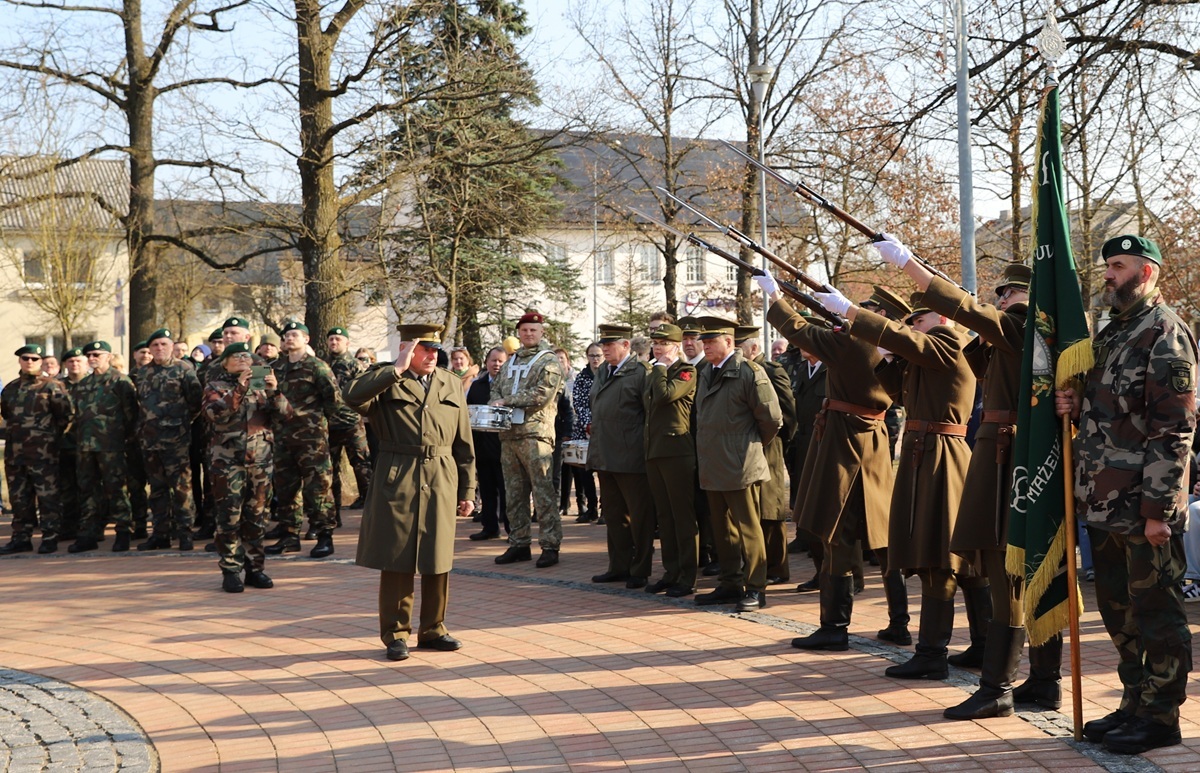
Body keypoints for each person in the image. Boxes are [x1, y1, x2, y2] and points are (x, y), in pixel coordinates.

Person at [877, 233, 1033, 717]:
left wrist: (911, 266)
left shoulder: (983, 333)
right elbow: (902, 392)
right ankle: (990, 654)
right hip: (964, 450)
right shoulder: (986, 340)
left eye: (1005, 295)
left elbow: (964, 314)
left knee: (958, 559)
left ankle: (959, 661)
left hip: (974, 453)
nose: (999, 302)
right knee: (971, 559)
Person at [1055, 234, 1196, 755]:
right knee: (1119, 611)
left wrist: (1159, 511)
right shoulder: (1115, 332)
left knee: (1157, 612)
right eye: (1108, 266)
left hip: (1144, 506)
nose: (1108, 274)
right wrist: (1072, 400)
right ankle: (1135, 701)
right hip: (1104, 503)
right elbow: (1106, 407)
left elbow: (1173, 428)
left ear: (1148, 271)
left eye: (1118, 265)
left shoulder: (1166, 332)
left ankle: (1161, 717)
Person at [813, 282, 977, 680]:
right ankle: (964, 647)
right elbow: (901, 394)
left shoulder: (950, 341)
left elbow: (913, 347)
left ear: (941, 315)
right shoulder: (933, 348)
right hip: (926, 453)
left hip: (942, 455)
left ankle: (935, 652)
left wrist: (855, 314)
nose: (913, 327)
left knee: (943, 559)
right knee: (942, 559)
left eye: (917, 319)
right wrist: (887, 356)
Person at [760, 281, 905, 651]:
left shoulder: (853, 343)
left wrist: (775, 297)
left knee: (836, 532)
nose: (856, 313)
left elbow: (797, 330)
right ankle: (899, 622)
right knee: (885, 538)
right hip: (873, 440)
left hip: (844, 443)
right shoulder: (896, 346)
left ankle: (834, 626)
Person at [344, 324, 476, 662]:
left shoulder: (449, 382)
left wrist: (468, 488)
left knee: (438, 556)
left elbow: (464, 442)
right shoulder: (386, 379)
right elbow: (351, 396)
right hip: (398, 473)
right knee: (398, 556)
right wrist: (396, 369)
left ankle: (433, 629)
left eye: (435, 350)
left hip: (442, 474)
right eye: (424, 349)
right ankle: (396, 634)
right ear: (407, 349)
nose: (432, 355)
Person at [692, 316, 782, 612]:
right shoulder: (706, 371)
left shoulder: (749, 372)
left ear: (729, 342)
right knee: (722, 529)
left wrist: (748, 447)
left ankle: (756, 587)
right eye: (703, 341)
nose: (704, 346)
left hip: (740, 464)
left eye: (710, 341)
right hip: (713, 463)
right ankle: (730, 583)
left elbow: (771, 419)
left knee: (748, 527)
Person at [203, 342, 292, 593]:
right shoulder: (215, 387)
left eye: (246, 355)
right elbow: (215, 413)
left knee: (257, 517)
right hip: (227, 462)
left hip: (260, 461)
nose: (242, 359)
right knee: (229, 517)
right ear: (225, 363)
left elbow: (287, 416)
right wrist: (240, 387)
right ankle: (231, 570)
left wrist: (275, 392)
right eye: (236, 356)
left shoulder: (262, 386)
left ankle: (255, 569)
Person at [490, 310, 564, 568]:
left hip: (535, 435)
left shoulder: (549, 361)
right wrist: (496, 401)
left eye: (533, 330)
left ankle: (550, 545)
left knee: (542, 492)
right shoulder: (511, 360)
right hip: (509, 435)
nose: (528, 334)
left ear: (542, 332)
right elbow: (496, 387)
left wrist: (506, 401)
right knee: (514, 492)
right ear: (518, 333)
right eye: (524, 330)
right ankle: (519, 542)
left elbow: (542, 394)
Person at [266, 321, 342, 558]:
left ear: (306, 339)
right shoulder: (273, 368)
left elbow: (334, 401)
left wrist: (322, 428)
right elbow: (262, 399)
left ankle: (324, 536)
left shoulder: (317, 367)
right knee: (286, 489)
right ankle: (289, 536)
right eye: (286, 335)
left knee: (317, 488)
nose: (289, 338)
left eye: (295, 334)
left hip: (311, 439)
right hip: (282, 439)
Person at [588, 324, 655, 588]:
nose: (604, 349)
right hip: (605, 455)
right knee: (614, 515)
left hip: (631, 456)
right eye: (603, 345)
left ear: (626, 346)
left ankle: (640, 569)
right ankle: (618, 566)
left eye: (610, 345)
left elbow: (649, 415)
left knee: (640, 517)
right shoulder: (603, 370)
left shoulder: (640, 372)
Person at [736, 326, 797, 586]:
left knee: (770, 508)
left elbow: (788, 412)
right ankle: (756, 564)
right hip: (747, 446)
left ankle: (777, 567)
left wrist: (779, 442)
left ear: (753, 348)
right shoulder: (740, 371)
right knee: (754, 507)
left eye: (740, 349)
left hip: (769, 445)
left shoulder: (772, 370)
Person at [0, 344, 74, 555]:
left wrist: (48, 438)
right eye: (26, 358)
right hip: (16, 454)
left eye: (34, 358)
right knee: (19, 499)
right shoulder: (11, 389)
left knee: (48, 497)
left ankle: (50, 537)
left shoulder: (52, 387)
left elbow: (66, 417)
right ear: (20, 361)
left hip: (43, 454)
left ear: (41, 361)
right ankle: (21, 538)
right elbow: (7, 415)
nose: (29, 362)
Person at [642, 323, 698, 597]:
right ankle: (671, 571)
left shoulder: (686, 371)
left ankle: (687, 576)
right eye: (655, 343)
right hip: (655, 451)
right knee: (664, 517)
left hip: (678, 452)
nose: (657, 347)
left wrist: (661, 368)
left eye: (663, 343)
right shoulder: (655, 372)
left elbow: (665, 396)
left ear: (676, 346)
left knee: (682, 517)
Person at [135, 328, 203, 551]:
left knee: (182, 488)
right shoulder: (143, 373)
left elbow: (195, 403)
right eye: (155, 345)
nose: (159, 348)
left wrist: (181, 423)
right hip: (150, 440)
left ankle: (184, 533)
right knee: (157, 489)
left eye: (164, 344)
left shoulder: (184, 369)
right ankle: (160, 533)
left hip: (176, 440)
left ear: (172, 346)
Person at [68, 341, 138, 554]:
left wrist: (124, 440)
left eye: (96, 354)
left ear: (108, 356)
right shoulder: (83, 384)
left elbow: (132, 416)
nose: (92, 358)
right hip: (86, 446)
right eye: (88, 355)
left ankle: (123, 531)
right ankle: (88, 534)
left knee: (116, 488)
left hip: (111, 446)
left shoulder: (120, 381)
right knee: (86, 489)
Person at [325, 326, 373, 516]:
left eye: (338, 339)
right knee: (330, 471)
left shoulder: (355, 365)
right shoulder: (323, 364)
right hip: (329, 425)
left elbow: (366, 392)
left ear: (347, 343)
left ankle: (371, 511)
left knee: (362, 467)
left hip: (352, 424)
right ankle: (333, 514)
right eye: (331, 339)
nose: (334, 342)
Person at [467, 347, 508, 540]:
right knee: (487, 489)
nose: (497, 364)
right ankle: (490, 527)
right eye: (493, 360)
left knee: (507, 491)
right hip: (482, 446)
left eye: (501, 361)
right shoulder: (477, 386)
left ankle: (512, 530)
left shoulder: (511, 387)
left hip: (505, 446)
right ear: (486, 362)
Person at [569, 344, 601, 524]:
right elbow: (579, 403)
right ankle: (591, 507)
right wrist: (588, 424)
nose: (595, 359)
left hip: (605, 428)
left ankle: (606, 508)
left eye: (598, 355)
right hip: (584, 430)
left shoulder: (607, 375)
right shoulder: (581, 378)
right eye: (592, 355)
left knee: (605, 471)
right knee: (585, 472)